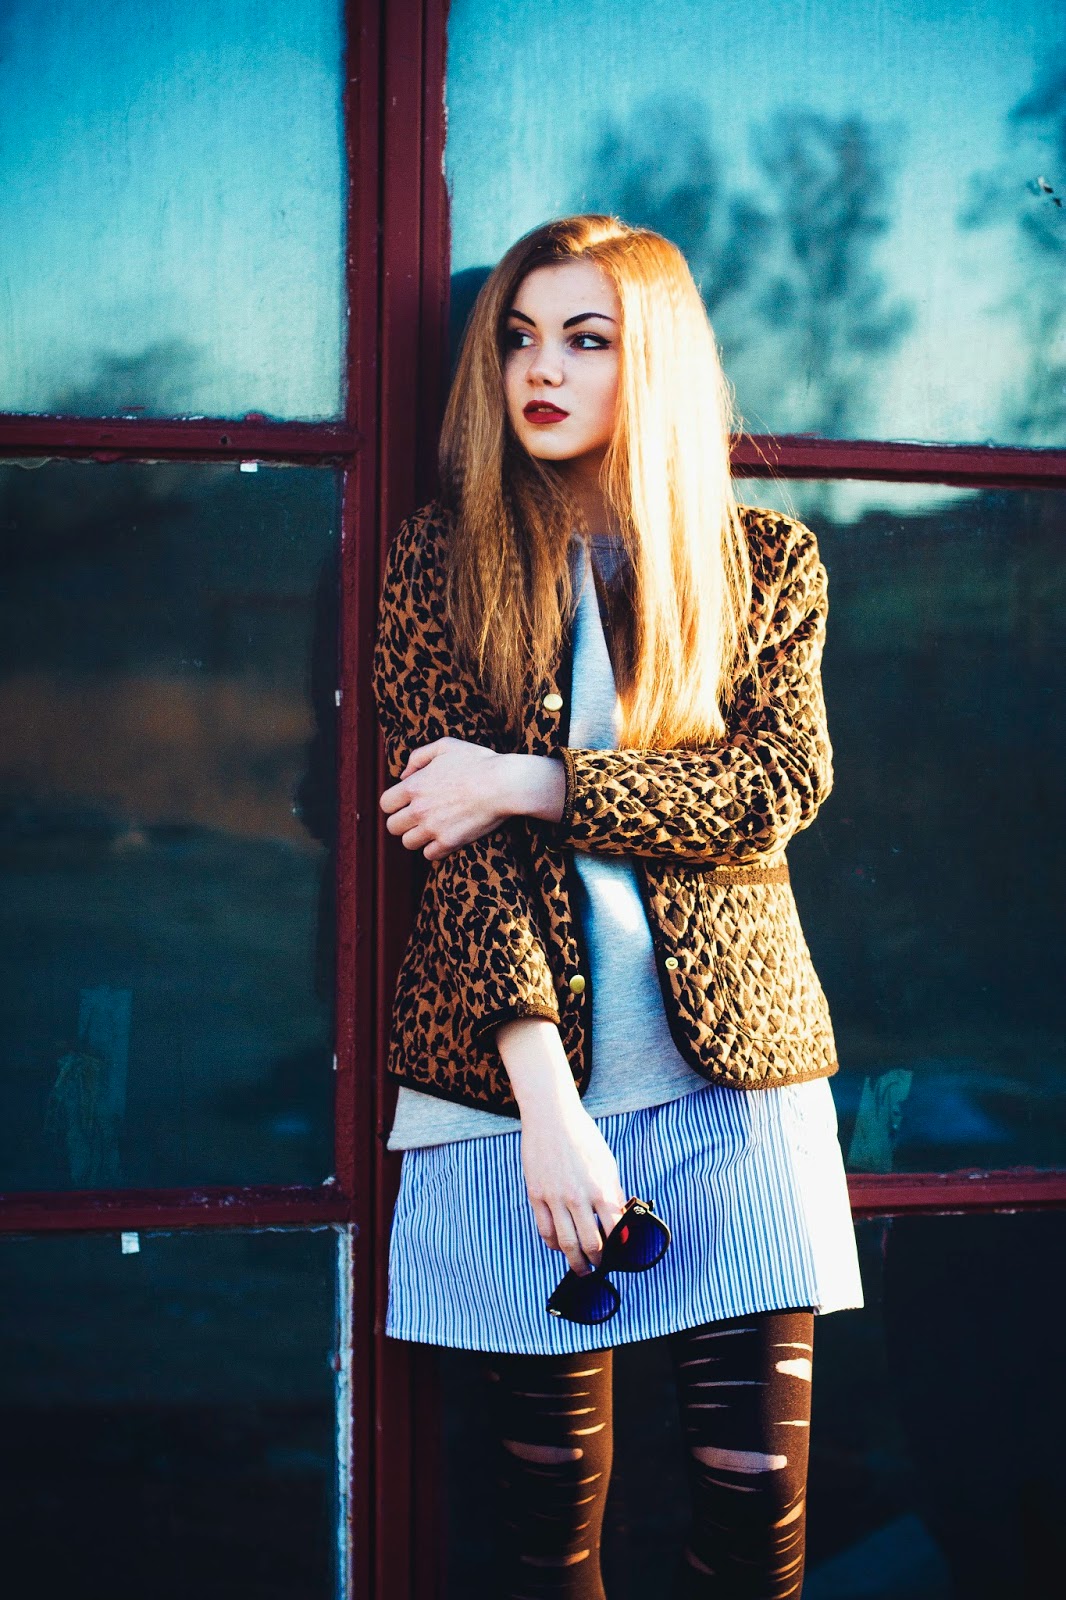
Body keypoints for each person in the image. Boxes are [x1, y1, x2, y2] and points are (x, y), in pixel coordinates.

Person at [372, 214, 863, 1600]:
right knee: (549, 1541)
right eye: (520, 337)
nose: (543, 368)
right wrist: (547, 1111)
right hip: (510, 1096)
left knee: (755, 1518)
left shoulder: (764, 562)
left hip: (735, 1081)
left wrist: (531, 780)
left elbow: (773, 786)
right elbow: (454, 852)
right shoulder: (437, 561)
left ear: (651, 361)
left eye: (586, 339)